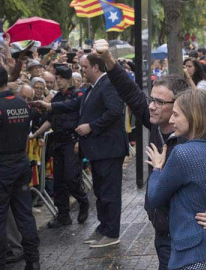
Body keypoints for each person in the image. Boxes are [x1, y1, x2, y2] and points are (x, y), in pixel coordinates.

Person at [95, 39, 206, 270]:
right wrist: (108, 59)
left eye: (160, 102)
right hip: (165, 234)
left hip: (189, 239)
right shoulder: (155, 123)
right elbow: (129, 91)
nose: (151, 106)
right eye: (151, 100)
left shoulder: (191, 143)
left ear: (179, 104)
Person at [35, 53, 129, 248]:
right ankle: (104, 228)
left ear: (95, 67)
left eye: (84, 67)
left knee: (109, 193)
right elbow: (74, 104)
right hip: (98, 150)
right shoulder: (91, 89)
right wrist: (49, 105)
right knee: (101, 192)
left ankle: (111, 233)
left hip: (109, 150)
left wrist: (91, 127)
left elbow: (114, 111)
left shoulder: (108, 84)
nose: (82, 70)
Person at [147, 89, 206, 270]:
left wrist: (157, 168)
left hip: (193, 254)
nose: (171, 120)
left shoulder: (183, 153)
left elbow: (154, 197)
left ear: (193, 116)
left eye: (176, 115)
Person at [0, 65, 40, 270]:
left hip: (0, 168)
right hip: (21, 164)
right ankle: (33, 260)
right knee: (25, 214)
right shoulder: (23, 103)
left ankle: (0, 263)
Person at [30, 66, 89, 228]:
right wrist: (36, 135)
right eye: (57, 78)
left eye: (61, 78)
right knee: (59, 181)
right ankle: (63, 215)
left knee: (71, 177)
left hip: (72, 141)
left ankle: (83, 201)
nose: (59, 81)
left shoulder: (78, 95)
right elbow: (50, 120)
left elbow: (77, 110)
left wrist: (79, 140)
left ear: (68, 78)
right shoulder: (56, 98)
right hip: (58, 142)